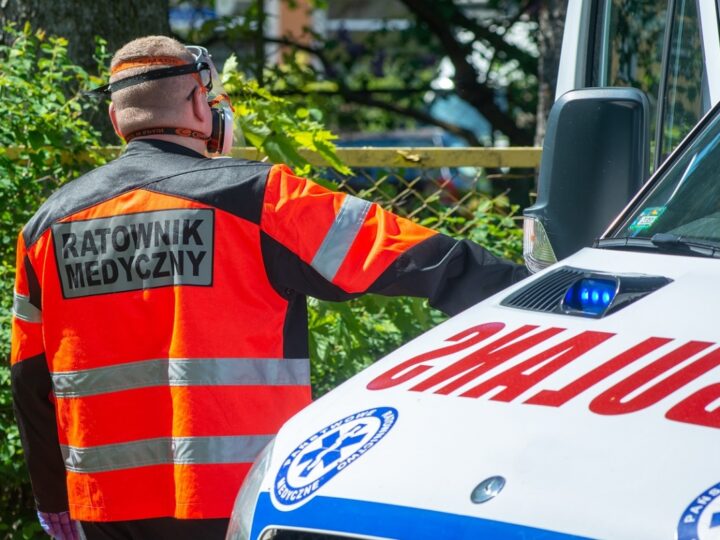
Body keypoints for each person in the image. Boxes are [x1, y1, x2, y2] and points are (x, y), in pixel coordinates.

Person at [10, 36, 528, 539]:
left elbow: (30, 380)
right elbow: (425, 259)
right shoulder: (259, 196)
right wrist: (544, 295)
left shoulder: (45, 228)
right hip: (240, 497)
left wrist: (53, 500)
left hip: (107, 504)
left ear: (116, 118)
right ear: (198, 102)